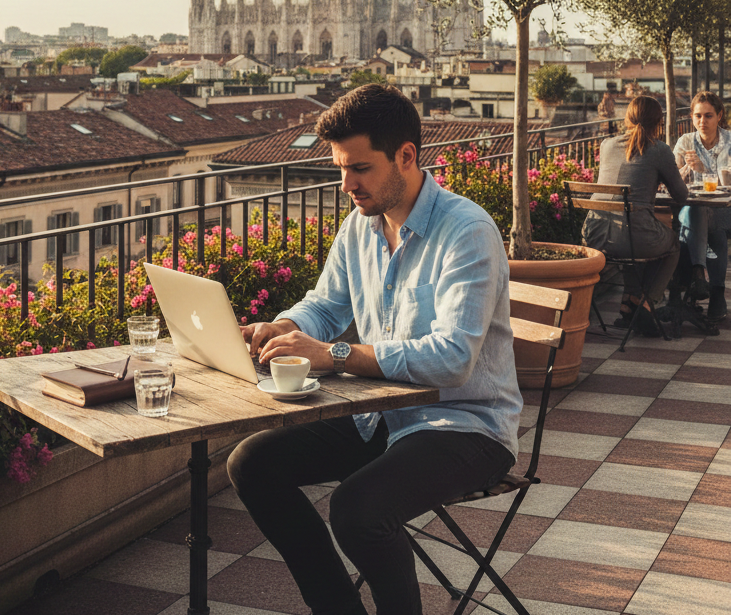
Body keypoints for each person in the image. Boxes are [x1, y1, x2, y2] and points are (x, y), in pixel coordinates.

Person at [227, 84, 521, 615]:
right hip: (379, 415)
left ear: (405, 156)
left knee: (357, 509)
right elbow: (326, 304)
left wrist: (334, 355)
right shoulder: (360, 226)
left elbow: (454, 358)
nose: (346, 185)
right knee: (251, 462)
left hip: (466, 426)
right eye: (340, 168)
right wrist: (284, 326)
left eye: (359, 168)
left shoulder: (467, 231)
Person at [581, 95, 688, 327]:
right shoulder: (659, 150)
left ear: (627, 118)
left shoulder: (607, 145)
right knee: (673, 244)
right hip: (631, 237)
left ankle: (628, 302)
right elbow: (681, 195)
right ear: (658, 122)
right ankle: (647, 303)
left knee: (633, 231)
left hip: (594, 235)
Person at [673, 91, 731, 320]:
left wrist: (703, 171)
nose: (702, 121)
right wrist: (687, 170)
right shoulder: (685, 142)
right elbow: (672, 179)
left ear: (719, 115)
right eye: (697, 116)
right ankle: (717, 294)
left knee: (700, 222)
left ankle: (696, 274)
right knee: (704, 221)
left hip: (724, 211)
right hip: (691, 212)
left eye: (708, 116)